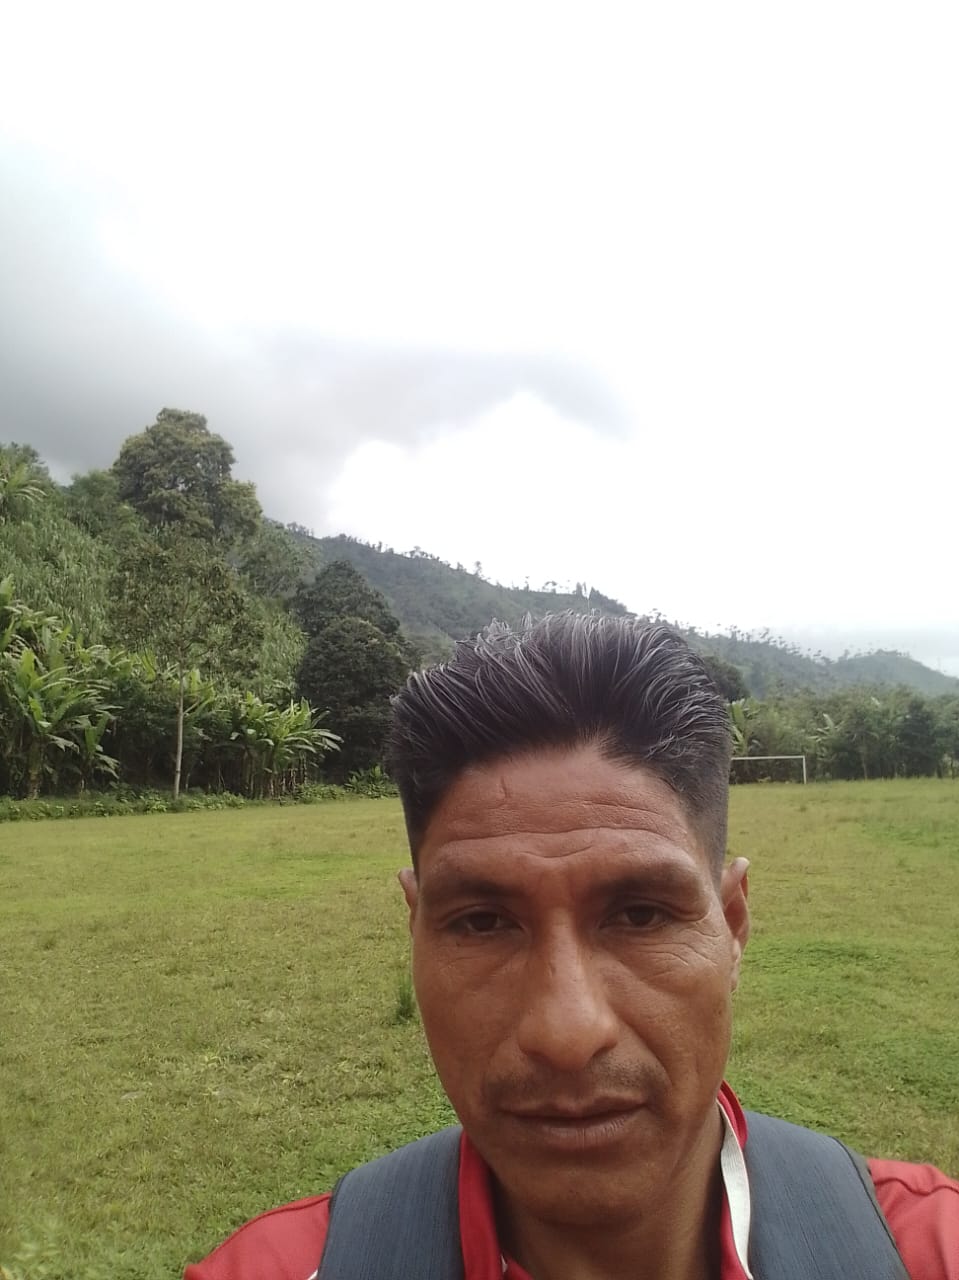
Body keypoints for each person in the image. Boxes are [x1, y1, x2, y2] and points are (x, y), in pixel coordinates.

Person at [185, 614, 958, 1280]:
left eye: (641, 914)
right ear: (415, 929)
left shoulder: (926, 1250)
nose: (566, 1033)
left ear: (731, 926)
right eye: (482, 923)